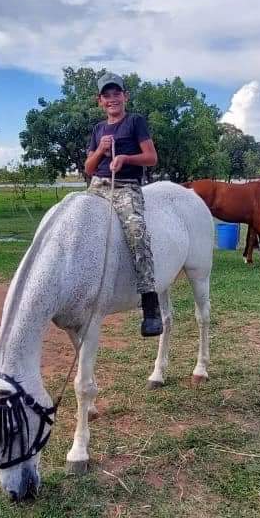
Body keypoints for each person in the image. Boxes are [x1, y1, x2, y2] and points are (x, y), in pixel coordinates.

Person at [84, 72, 163, 337]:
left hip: (126, 187)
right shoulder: (98, 130)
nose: (112, 99)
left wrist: (125, 159)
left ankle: (150, 305)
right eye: (106, 95)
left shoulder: (135, 122)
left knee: (136, 233)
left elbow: (151, 158)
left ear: (125, 96)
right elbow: (89, 167)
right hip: (98, 186)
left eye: (116, 94)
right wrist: (100, 151)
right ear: (100, 101)